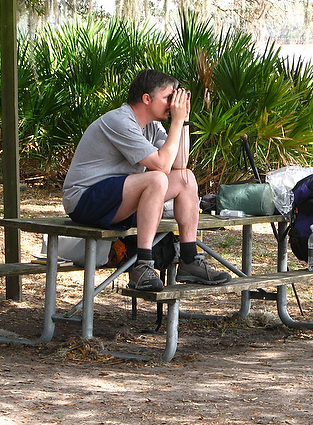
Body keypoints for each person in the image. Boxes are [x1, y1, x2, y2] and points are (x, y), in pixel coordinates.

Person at [62, 69, 231, 291]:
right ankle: (143, 265)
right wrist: (176, 122)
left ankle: (190, 260)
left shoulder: (151, 125)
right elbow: (161, 165)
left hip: (118, 200)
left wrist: (184, 120)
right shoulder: (120, 120)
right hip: (85, 200)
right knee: (156, 179)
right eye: (168, 98)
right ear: (146, 98)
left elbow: (179, 162)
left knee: (186, 178)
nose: (173, 104)